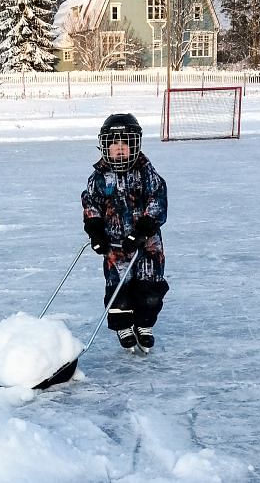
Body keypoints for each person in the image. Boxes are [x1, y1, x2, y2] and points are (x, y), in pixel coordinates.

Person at [81, 113, 169, 351]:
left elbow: (157, 201)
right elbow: (91, 204)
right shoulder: (98, 178)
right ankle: (123, 326)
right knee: (118, 290)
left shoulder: (146, 173)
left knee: (149, 289)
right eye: (114, 145)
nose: (119, 150)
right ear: (105, 147)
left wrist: (142, 231)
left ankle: (144, 324)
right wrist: (96, 231)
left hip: (147, 246)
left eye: (125, 145)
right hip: (115, 247)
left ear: (135, 146)